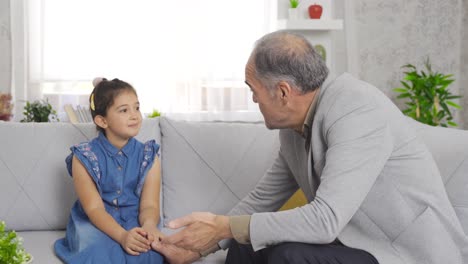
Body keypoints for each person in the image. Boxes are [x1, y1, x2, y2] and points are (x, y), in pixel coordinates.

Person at [152, 30, 468, 264]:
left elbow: (325, 219)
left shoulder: (357, 108)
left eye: (254, 90)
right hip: (355, 242)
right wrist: (199, 248)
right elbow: (264, 198)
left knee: (288, 257)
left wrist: (223, 226)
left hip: (408, 253)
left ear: (284, 92)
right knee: (244, 248)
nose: (253, 100)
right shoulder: (294, 127)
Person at [54, 78, 164, 264]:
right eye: (124, 110)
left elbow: (149, 206)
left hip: (135, 219)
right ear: (102, 121)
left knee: (149, 252)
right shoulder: (83, 157)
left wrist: (149, 226)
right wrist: (122, 236)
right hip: (96, 221)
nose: (135, 115)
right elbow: (94, 208)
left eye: (137, 108)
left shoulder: (149, 155)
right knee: (99, 252)